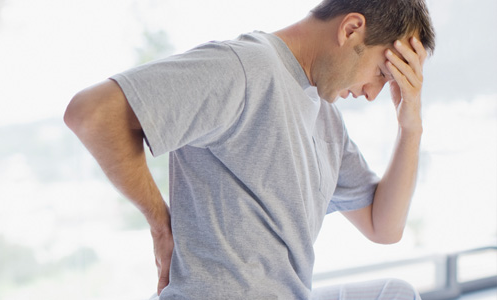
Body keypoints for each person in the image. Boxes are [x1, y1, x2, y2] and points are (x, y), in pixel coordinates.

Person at [64, 0, 435, 299]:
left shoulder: (325, 118)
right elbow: (93, 114)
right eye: (382, 75)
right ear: (351, 29)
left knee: (394, 294)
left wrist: (410, 124)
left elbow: (384, 227)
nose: (372, 94)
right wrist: (162, 225)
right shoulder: (244, 68)